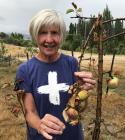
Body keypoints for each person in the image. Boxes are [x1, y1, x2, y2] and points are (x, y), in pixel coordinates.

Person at [15, 9, 96, 140]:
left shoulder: (71, 63)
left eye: (54, 33)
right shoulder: (25, 70)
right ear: (35, 35)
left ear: (61, 36)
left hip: (72, 135)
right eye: (43, 33)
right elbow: (30, 112)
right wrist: (39, 125)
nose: (49, 39)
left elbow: (77, 104)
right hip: (41, 136)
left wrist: (82, 91)